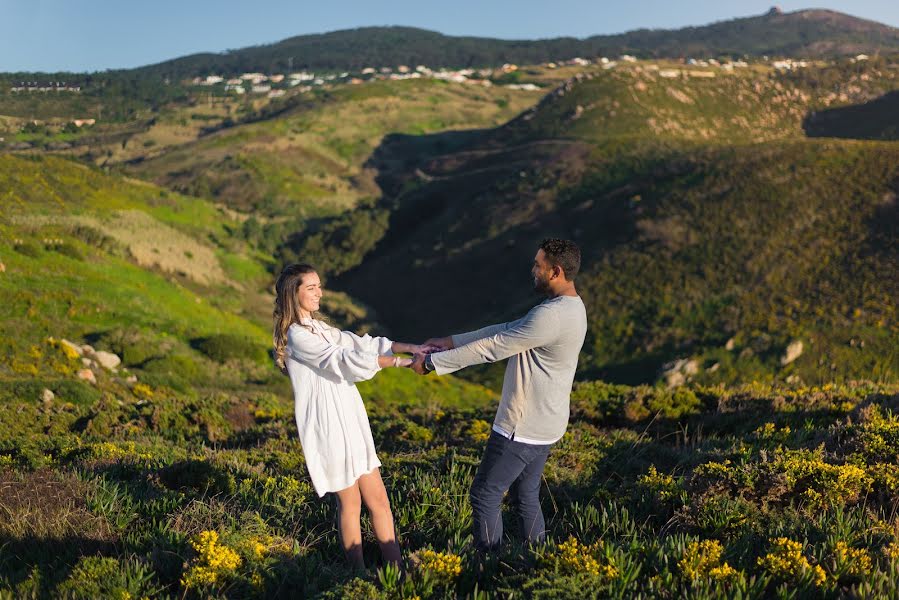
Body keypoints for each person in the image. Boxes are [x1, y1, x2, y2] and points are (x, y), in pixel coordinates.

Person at [411, 239, 587, 552]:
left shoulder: (551, 316)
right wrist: (451, 341)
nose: (533, 270)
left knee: (485, 494)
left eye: (538, 265)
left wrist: (431, 363)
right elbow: (506, 329)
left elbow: (493, 348)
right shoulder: (571, 307)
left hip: (521, 426)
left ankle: (487, 569)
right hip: (547, 425)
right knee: (525, 495)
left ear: (556, 271)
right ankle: (538, 560)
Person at [273, 263, 431, 570]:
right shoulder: (297, 337)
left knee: (379, 501)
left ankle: (396, 572)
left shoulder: (320, 328)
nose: (319, 292)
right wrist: (400, 363)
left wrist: (413, 348)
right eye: (311, 288)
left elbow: (362, 344)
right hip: (329, 426)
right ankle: (356, 576)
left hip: (351, 420)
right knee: (350, 503)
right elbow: (341, 360)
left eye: (319, 286)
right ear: (294, 293)